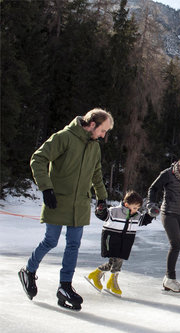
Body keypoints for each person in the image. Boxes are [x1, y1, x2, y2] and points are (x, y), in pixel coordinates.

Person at [18, 108, 113, 311]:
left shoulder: (94, 147)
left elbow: (96, 173)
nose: (104, 135)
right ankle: (28, 270)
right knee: (51, 240)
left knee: (73, 245)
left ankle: (65, 286)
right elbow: (38, 159)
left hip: (79, 204)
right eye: (103, 130)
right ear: (93, 124)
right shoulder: (64, 137)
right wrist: (46, 188)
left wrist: (102, 198)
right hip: (58, 200)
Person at [147, 153, 180, 293]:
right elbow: (153, 188)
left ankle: (167, 280)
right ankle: (171, 278)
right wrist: (151, 204)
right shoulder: (167, 174)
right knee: (175, 244)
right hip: (168, 213)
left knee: (177, 246)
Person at [85, 190, 153, 297]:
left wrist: (151, 215)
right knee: (117, 261)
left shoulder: (136, 215)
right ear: (126, 204)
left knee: (113, 262)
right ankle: (112, 281)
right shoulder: (115, 211)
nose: (136, 210)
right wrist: (101, 210)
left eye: (138, 208)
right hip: (111, 239)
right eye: (134, 208)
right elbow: (103, 215)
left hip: (125, 241)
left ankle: (96, 274)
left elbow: (143, 221)